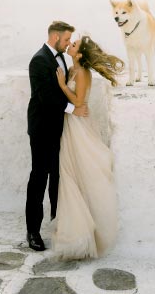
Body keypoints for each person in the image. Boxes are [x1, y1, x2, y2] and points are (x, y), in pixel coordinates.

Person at [51, 33, 123, 260]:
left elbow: (79, 102)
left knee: (76, 170)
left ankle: (81, 232)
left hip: (78, 125)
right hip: (71, 122)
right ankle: (72, 226)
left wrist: (62, 85)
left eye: (74, 45)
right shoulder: (74, 69)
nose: (70, 46)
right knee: (70, 172)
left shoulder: (81, 73)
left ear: (80, 54)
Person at [25, 20, 86, 251]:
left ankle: (57, 224)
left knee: (58, 179)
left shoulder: (61, 57)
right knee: (39, 178)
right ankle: (33, 231)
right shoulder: (39, 60)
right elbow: (45, 97)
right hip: (42, 129)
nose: (69, 43)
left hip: (60, 128)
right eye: (67, 39)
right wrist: (74, 109)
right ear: (55, 38)